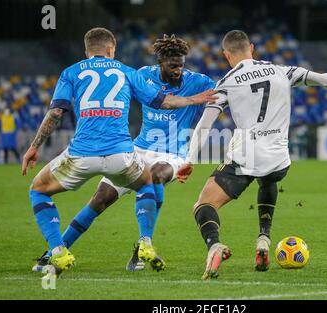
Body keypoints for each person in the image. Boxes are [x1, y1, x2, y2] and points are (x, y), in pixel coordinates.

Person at [177, 30, 327, 280]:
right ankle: (263, 240)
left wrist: (190, 160)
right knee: (268, 179)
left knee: (204, 204)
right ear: (252, 47)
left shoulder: (226, 82)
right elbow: (324, 79)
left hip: (246, 157)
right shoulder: (282, 70)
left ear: (226, 55)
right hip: (279, 159)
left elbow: (205, 125)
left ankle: (214, 245)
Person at [23, 27, 217, 277]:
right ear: (160, 62)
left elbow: (220, 93)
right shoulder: (138, 74)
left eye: (180, 65)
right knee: (101, 198)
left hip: (172, 153)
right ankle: (56, 252)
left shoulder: (198, 81)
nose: (177, 70)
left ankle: (142, 244)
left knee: (155, 176)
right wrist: (194, 100)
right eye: (172, 66)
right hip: (135, 148)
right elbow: (163, 101)